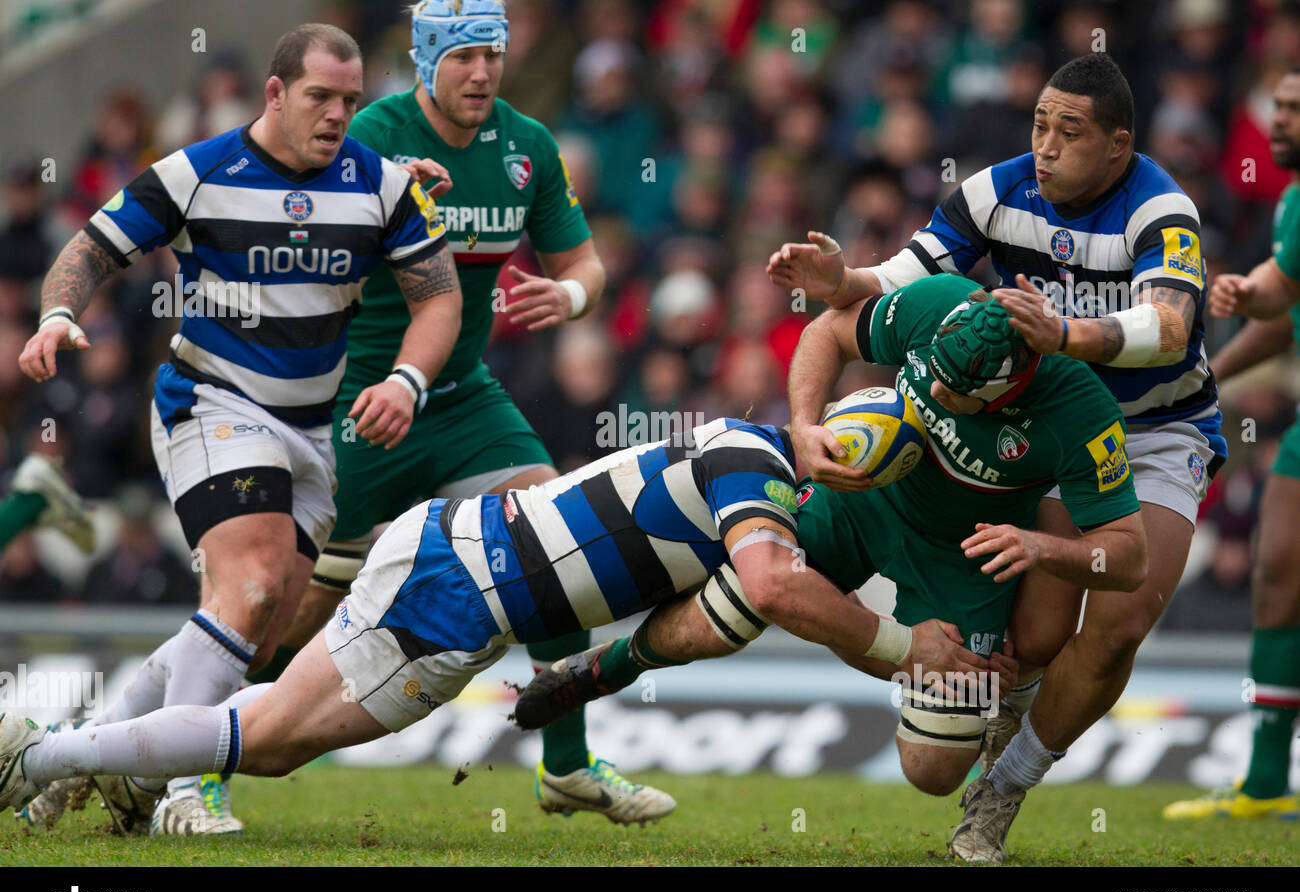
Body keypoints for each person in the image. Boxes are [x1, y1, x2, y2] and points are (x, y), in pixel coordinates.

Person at [0, 412, 999, 821]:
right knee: (254, 740)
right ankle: (37, 756)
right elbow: (777, 585)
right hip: (458, 590)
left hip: (452, 558)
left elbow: (736, 606)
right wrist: (909, 644)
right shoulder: (756, 474)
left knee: (261, 728)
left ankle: (82, 759)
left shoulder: (740, 452)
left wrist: (901, 660)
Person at [767, 53, 1221, 862]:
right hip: (1039, 426)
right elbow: (905, 274)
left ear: (1118, 145)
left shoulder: (1162, 210)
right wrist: (843, 279)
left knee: (1119, 620)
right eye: (1039, 124)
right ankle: (1006, 695)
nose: (1045, 145)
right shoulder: (995, 188)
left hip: (1154, 427)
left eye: (1069, 132)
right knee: (1038, 639)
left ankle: (1002, 791)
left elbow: (1172, 324)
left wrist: (1071, 337)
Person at [14, 23, 462, 837]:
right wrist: (54, 315)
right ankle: (184, 790)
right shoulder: (197, 170)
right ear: (275, 92)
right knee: (251, 584)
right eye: (321, 97)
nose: (337, 115)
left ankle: (73, 755)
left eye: (351, 100)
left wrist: (407, 378)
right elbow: (90, 248)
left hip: (313, 431)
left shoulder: (383, 186)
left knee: (259, 632)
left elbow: (438, 296)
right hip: (213, 403)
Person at [257, 0, 671, 823]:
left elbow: (585, 260)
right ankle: (197, 752)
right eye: (462, 58)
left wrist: (573, 291)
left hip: (457, 394)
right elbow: (292, 225)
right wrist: (382, 202)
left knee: (559, 541)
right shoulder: (370, 129)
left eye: (493, 54)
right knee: (289, 602)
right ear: (423, 64)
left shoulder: (528, 146)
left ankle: (566, 765)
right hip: (356, 395)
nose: (481, 72)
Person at [516, 274, 1147, 814]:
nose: (935, 397)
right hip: (860, 492)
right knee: (753, 597)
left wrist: (1042, 548)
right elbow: (829, 331)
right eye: (933, 379)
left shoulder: (1082, 411)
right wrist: (806, 426)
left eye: (956, 397)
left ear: (1011, 388)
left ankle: (952, 680)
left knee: (932, 767)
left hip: (969, 547)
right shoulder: (939, 303)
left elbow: (1129, 557)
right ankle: (608, 668)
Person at [1162, 68, 1300, 822]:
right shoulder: (1292, 201)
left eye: (1292, 109)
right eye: (1275, 105)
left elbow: (1280, 292)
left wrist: (1257, 291)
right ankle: (1266, 782)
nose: (1275, 120)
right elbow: (1285, 305)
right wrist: (1212, 370)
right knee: (1278, 569)